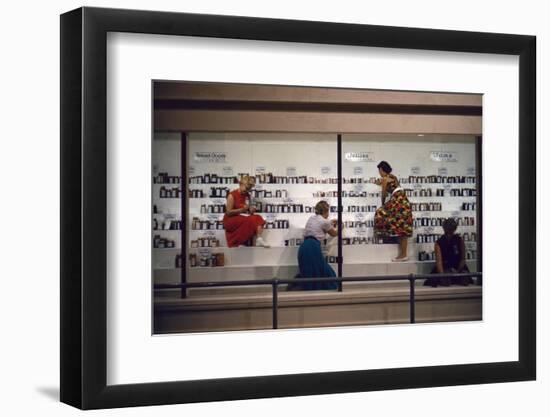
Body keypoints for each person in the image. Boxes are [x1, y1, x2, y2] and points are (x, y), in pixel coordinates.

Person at [291, 201, 339, 290]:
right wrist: (341, 226)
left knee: (309, 272)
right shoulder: (325, 222)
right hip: (313, 247)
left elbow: (320, 224)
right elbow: (334, 233)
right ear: (326, 211)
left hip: (304, 247)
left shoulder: (311, 218)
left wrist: (329, 222)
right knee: (325, 272)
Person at [374, 161, 413, 261]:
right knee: (402, 226)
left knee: (379, 213)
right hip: (403, 201)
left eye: (379, 170)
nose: (379, 173)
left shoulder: (385, 179)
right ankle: (403, 254)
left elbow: (383, 194)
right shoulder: (393, 177)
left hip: (397, 201)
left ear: (381, 170)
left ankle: (383, 234)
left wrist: (382, 204)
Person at [424, 218, 474, 287]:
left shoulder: (459, 240)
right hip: (446, 268)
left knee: (463, 278)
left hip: (458, 268)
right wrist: (442, 275)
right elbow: (439, 263)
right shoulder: (440, 242)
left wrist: (457, 271)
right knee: (446, 279)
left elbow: (462, 259)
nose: (449, 232)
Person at [223, 175, 269, 248]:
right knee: (248, 220)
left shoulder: (247, 195)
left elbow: (247, 209)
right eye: (246, 188)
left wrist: (250, 210)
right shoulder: (232, 195)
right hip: (230, 219)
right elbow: (228, 212)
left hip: (241, 216)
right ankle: (238, 242)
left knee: (258, 217)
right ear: (241, 184)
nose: (247, 190)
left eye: (249, 189)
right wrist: (242, 210)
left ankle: (259, 239)